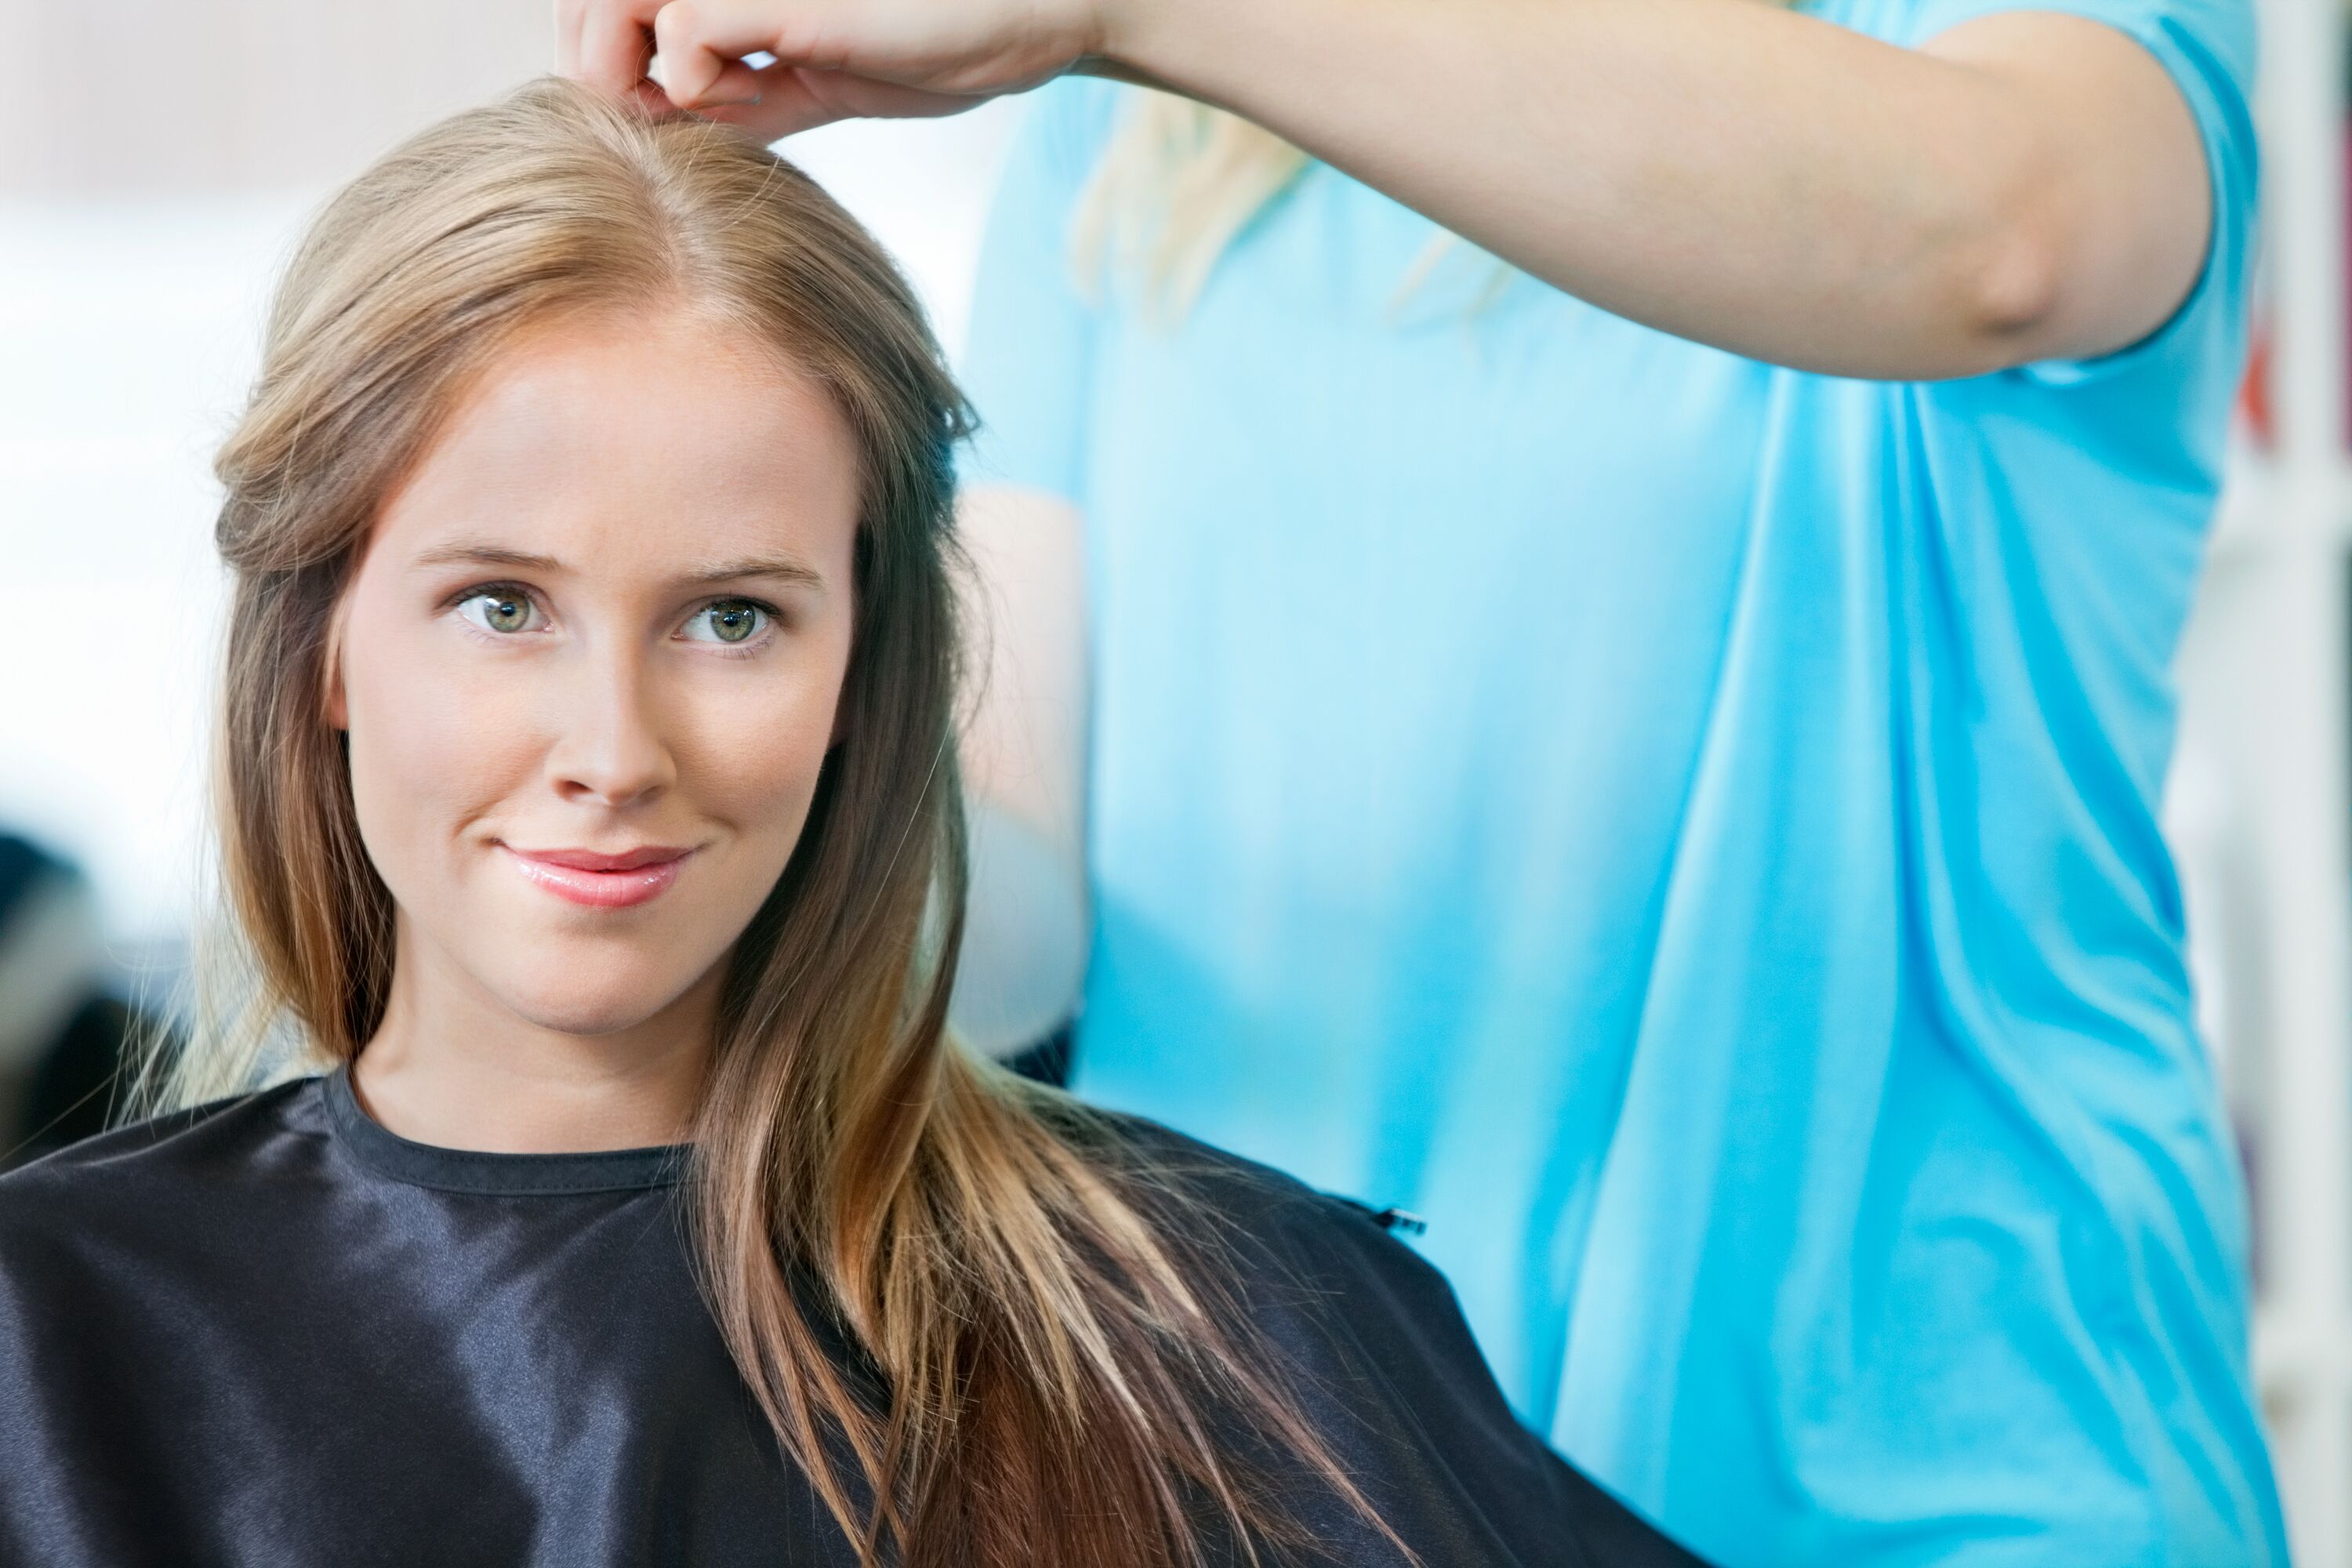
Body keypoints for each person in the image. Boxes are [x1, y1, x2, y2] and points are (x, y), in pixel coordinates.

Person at [562, 0, 2285, 1563]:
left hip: (1946, 1494)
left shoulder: (1983, 45)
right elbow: (1011, 922)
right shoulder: (1128, 145)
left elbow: (1998, 235)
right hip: (1299, 1477)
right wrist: (663, 777)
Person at [0, 80, 1703, 1568]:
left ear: (865, 672)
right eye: (502, 605)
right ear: (324, 650)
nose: (615, 749)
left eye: (731, 617)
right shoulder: (49, 1338)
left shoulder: (1237, 1328)